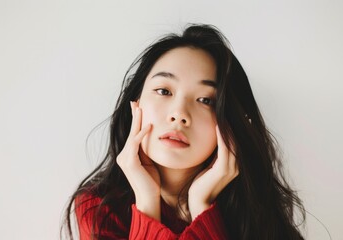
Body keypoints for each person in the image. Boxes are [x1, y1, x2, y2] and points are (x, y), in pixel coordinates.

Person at [62, 24, 305, 239]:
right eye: (164, 91)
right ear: (135, 104)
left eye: (205, 100)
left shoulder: (258, 214)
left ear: (232, 123)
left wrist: (202, 208)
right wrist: (146, 205)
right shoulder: (98, 209)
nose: (179, 114)